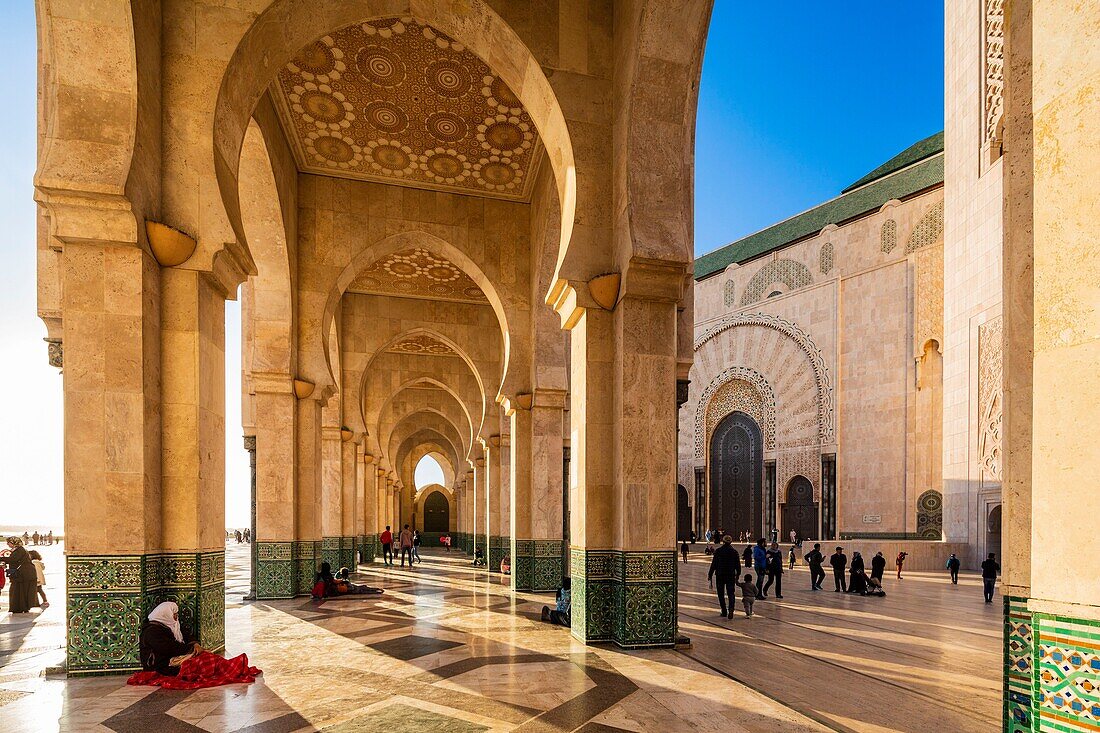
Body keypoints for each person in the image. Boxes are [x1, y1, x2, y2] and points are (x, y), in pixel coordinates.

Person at [130, 601, 261, 689]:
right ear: (165, 615)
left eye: (176, 614)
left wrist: (195, 644)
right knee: (202, 662)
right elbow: (169, 648)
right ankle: (233, 667)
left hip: (174, 659)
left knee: (206, 657)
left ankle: (233, 666)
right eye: (173, 615)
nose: (176, 617)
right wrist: (191, 649)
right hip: (162, 666)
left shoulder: (171, 625)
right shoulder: (152, 632)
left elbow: (187, 635)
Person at [0, 537, 37, 613]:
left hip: (24, 574)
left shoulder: (20, 550)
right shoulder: (18, 550)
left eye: (9, 542)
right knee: (19, 591)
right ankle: (19, 607)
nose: (7, 544)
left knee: (20, 591)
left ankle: (20, 608)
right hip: (22, 574)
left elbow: (13, 559)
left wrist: (1, 558)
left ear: (14, 543)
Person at [707, 535, 741, 619]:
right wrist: (738, 575)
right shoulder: (734, 552)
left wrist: (710, 574)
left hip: (720, 575)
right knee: (731, 593)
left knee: (721, 594)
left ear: (723, 541)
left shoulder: (718, 551)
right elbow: (738, 566)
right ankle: (731, 610)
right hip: (730, 575)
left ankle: (724, 610)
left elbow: (714, 564)